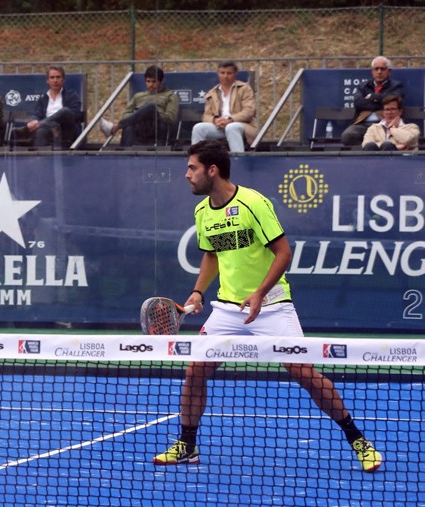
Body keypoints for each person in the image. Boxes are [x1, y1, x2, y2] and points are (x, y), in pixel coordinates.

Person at [152, 140, 382, 473]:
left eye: (192, 168)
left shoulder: (253, 203)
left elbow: (284, 252)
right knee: (195, 370)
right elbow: (212, 254)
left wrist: (260, 293)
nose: (186, 174)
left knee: (302, 371)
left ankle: (358, 439)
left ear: (212, 170)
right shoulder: (202, 211)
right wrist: (198, 292)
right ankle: (187, 445)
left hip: (272, 305)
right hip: (228, 309)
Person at [99, 66, 179, 147]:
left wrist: (153, 112)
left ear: (161, 82)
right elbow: (125, 115)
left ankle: (115, 128)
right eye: (148, 81)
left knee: (150, 107)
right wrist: (140, 114)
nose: (150, 85)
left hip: (157, 127)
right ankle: (124, 156)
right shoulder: (138, 96)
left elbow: (171, 118)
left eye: (154, 82)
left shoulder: (170, 96)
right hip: (140, 127)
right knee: (129, 126)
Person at [191, 61, 258, 153]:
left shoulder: (244, 88)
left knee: (231, 127)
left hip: (242, 125)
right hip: (220, 126)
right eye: (222, 73)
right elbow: (206, 116)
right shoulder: (212, 92)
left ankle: (239, 160)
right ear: (218, 74)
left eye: (229, 73)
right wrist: (215, 120)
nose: (225, 76)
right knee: (198, 128)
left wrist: (230, 119)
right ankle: (198, 161)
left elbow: (249, 111)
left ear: (235, 74)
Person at [13, 65, 83, 148]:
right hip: (48, 129)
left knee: (65, 111)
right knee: (41, 131)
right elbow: (36, 114)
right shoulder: (43, 99)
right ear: (47, 81)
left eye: (58, 77)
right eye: (52, 77)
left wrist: (39, 123)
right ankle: (40, 159)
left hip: (66, 130)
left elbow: (75, 114)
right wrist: (33, 120)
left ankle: (33, 128)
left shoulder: (71, 95)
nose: (55, 80)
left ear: (63, 80)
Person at [341, 56, 404, 146]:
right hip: (363, 124)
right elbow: (358, 103)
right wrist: (381, 102)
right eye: (376, 69)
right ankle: (368, 148)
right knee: (347, 136)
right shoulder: (363, 86)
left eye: (382, 69)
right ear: (372, 71)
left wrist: (372, 96)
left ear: (389, 71)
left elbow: (394, 102)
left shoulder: (396, 86)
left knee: (389, 141)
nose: (379, 72)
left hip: (384, 123)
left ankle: (374, 147)